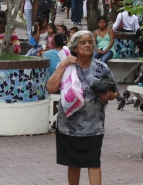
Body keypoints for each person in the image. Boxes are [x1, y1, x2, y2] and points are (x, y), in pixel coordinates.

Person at [47, 31, 118, 185]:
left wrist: (110, 96)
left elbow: (116, 92)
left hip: (94, 125)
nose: (87, 45)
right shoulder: (66, 66)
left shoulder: (101, 67)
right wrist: (64, 64)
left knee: (93, 162)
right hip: (69, 125)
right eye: (83, 42)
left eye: (89, 42)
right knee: (73, 163)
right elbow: (51, 88)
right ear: (75, 47)